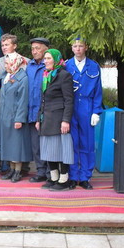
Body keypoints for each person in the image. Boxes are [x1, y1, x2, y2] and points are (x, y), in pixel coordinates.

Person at [64, 38, 103, 190]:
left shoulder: (93, 66)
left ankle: (85, 177)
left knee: (87, 143)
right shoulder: (67, 65)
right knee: (72, 143)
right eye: (75, 46)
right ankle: (73, 176)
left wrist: (96, 111)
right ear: (72, 48)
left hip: (87, 107)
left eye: (81, 46)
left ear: (86, 47)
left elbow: (98, 90)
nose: (78, 49)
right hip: (71, 108)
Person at [36, 49, 74, 191]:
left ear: (56, 60)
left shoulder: (64, 76)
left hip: (59, 120)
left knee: (61, 150)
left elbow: (69, 101)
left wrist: (66, 120)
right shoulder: (45, 76)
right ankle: (53, 178)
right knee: (48, 149)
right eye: (45, 58)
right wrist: (38, 118)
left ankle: (64, 180)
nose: (45, 61)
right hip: (46, 118)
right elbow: (43, 99)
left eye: (48, 58)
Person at [0, 53, 32, 182]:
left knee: (16, 146)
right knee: (8, 144)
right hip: (4, 117)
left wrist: (19, 119)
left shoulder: (22, 78)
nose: (5, 65)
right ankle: (11, 170)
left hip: (15, 118)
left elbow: (23, 100)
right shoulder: (6, 76)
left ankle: (18, 171)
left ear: (15, 63)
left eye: (7, 63)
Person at [26, 37, 50, 183]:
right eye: (33, 49)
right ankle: (40, 171)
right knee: (36, 145)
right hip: (32, 111)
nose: (34, 51)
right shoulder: (29, 66)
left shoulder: (50, 66)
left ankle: (50, 172)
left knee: (47, 144)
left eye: (37, 48)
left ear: (46, 49)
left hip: (47, 112)